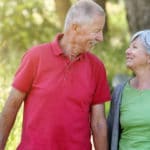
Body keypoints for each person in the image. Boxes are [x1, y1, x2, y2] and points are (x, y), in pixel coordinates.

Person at [0, 0, 111, 150]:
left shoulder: (96, 67)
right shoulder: (36, 57)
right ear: (75, 28)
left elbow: (98, 123)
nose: (100, 38)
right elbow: (11, 107)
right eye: (96, 31)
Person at [107, 29, 150, 150]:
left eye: (134, 47)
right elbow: (110, 131)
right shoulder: (120, 91)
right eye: (128, 47)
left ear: (149, 57)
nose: (127, 51)